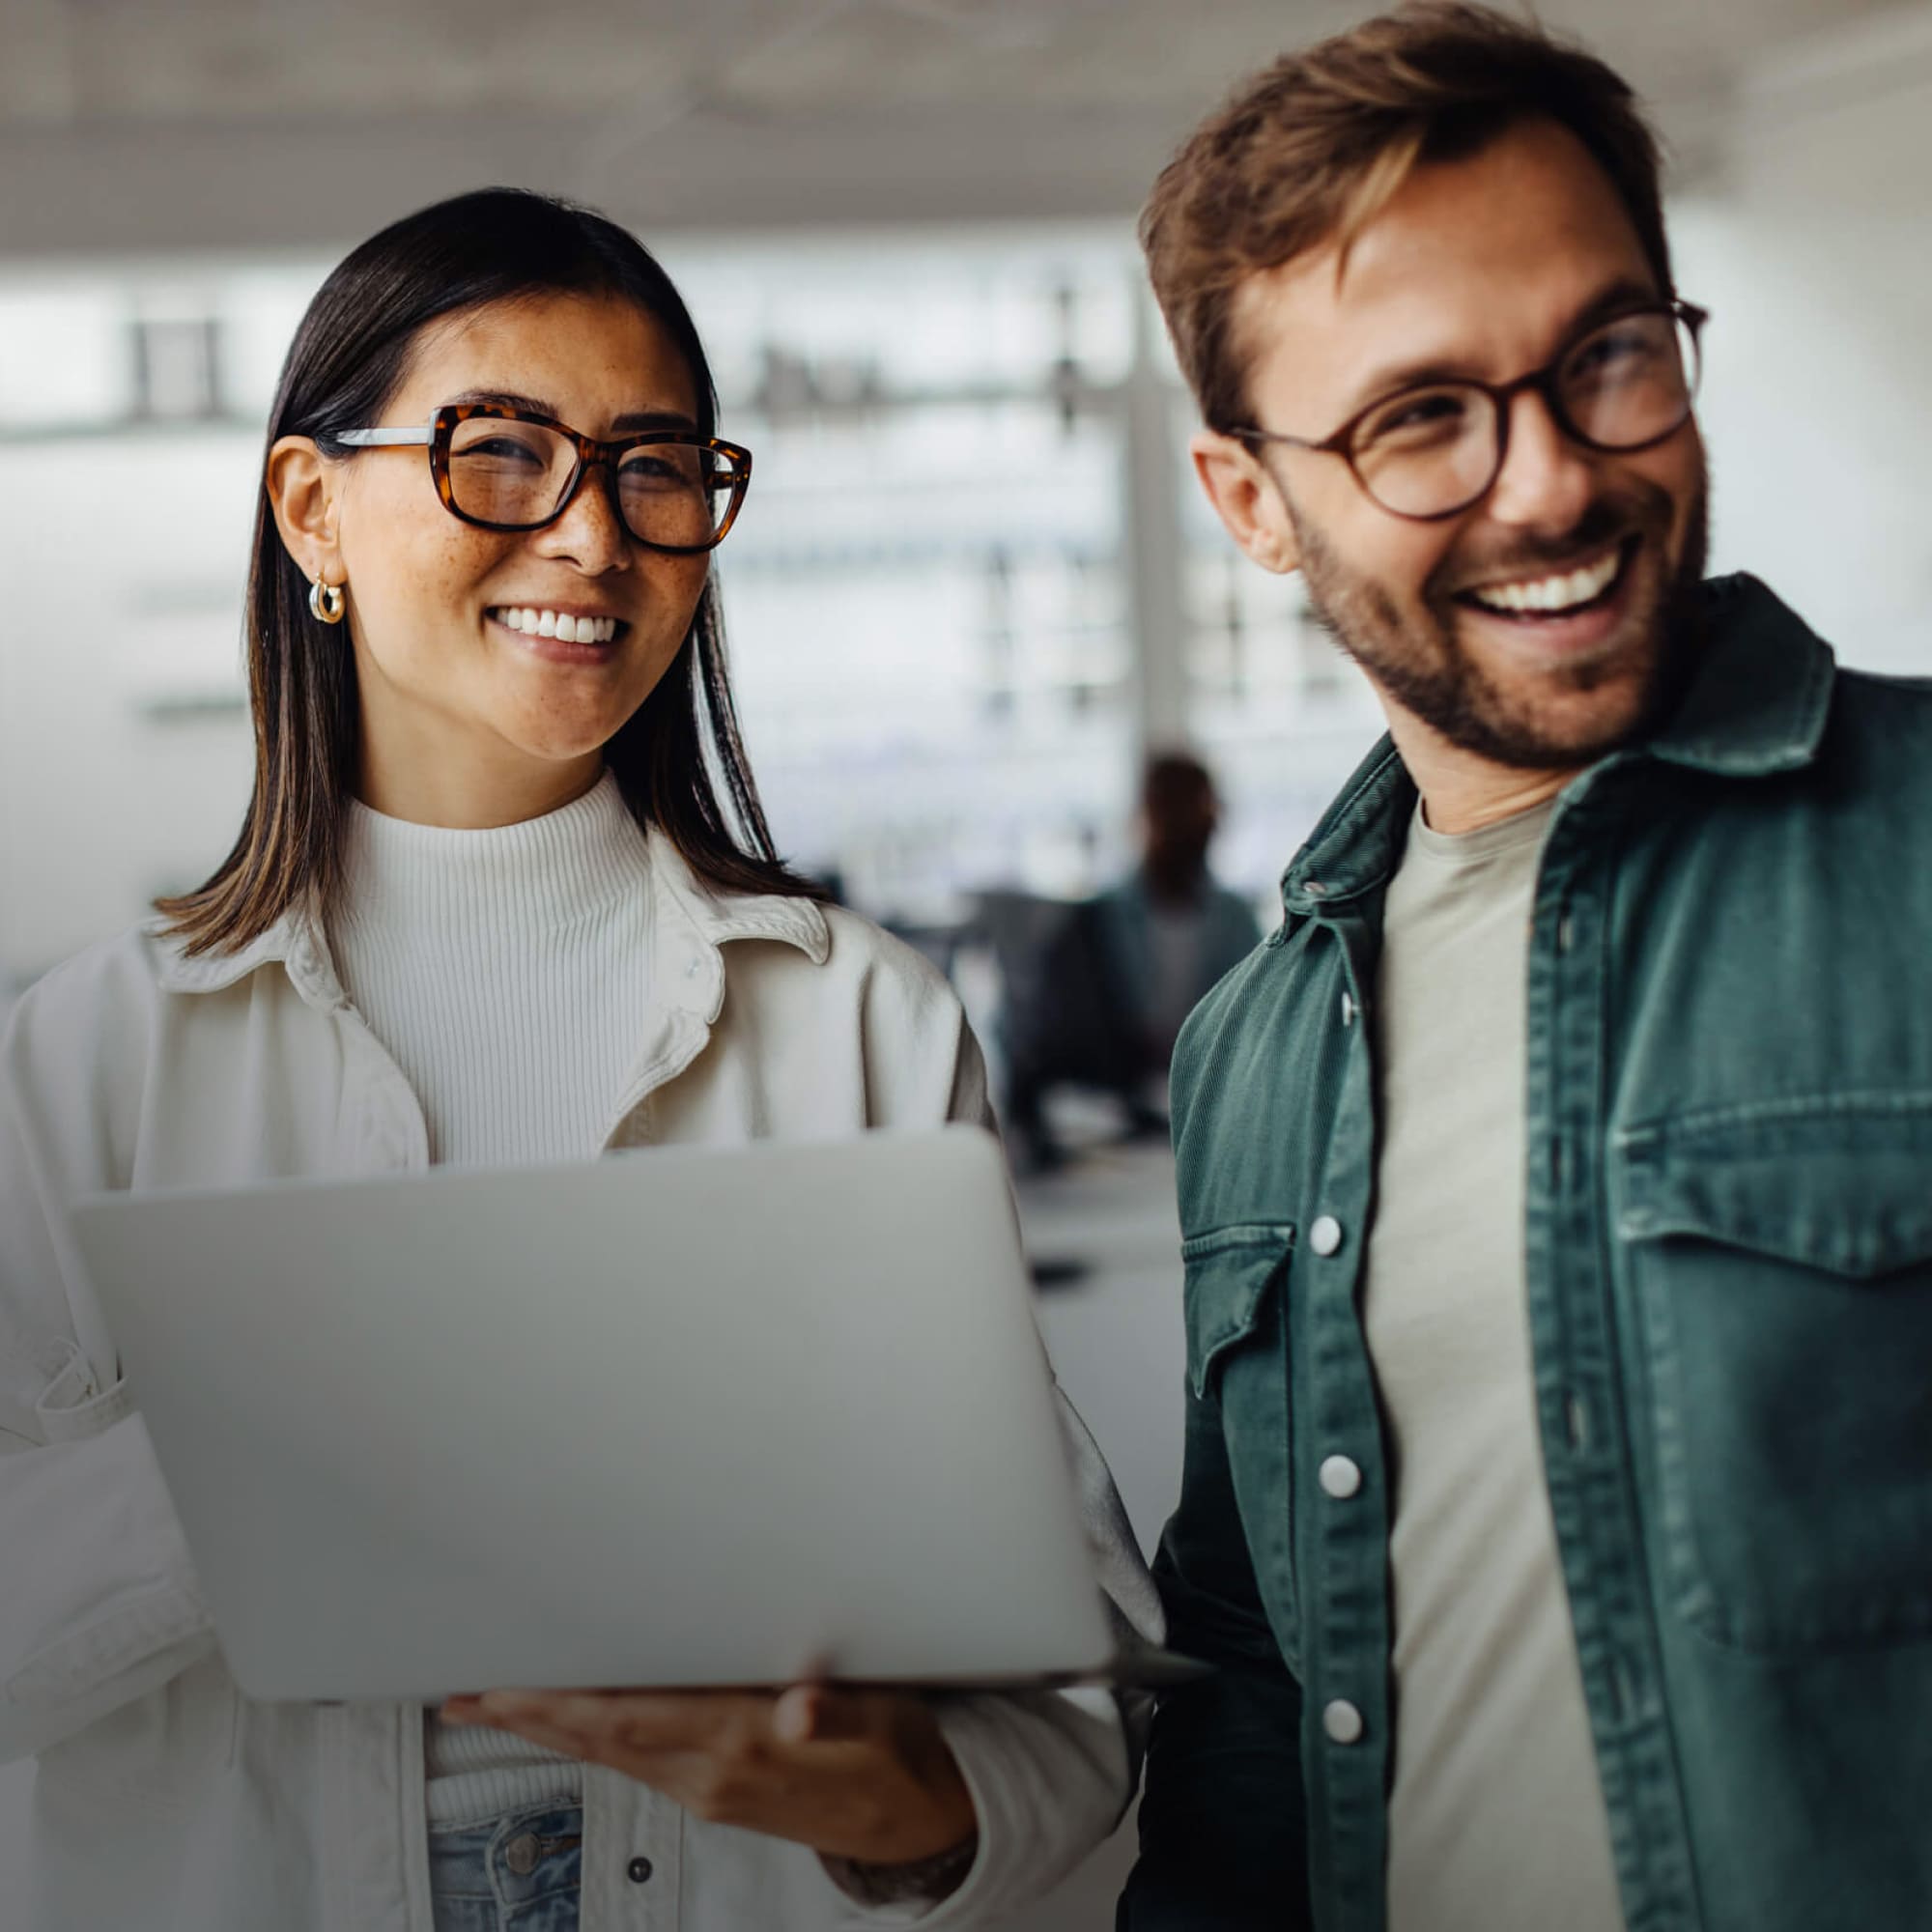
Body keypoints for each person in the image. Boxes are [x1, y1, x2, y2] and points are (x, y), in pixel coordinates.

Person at [0, 187, 1156, 1932]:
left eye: (655, 467)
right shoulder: (83, 1062)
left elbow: (1073, 1704)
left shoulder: (858, 1023)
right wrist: (308, 1432)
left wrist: (895, 1806)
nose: (593, 538)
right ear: (313, 506)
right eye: (502, 454)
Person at [1120, 8, 1932, 1931]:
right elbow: (1245, 1683)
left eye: (1609, 359)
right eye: (1420, 418)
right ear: (1250, 501)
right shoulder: (1257, 1042)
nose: (1553, 479)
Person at [1002, 753, 1260, 1169]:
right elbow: (1048, 1041)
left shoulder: (1234, 918)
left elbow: (1255, 1023)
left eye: (1197, 812)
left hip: (1206, 1116)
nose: (1189, 827)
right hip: (1110, 1125)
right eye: (1174, 811)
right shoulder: (1093, 923)